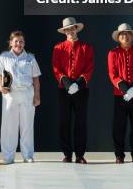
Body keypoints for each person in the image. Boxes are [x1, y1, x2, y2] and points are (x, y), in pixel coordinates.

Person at [0, 30, 41, 164]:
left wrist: (37, 95)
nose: (18, 44)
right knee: (9, 126)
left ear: (24, 43)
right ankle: (8, 157)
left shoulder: (30, 58)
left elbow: (36, 78)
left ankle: (28, 155)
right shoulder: (4, 57)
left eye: (21, 41)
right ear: (11, 43)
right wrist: (0, 87)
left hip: (27, 94)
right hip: (10, 95)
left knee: (27, 126)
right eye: (16, 41)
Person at [52, 17, 94, 164]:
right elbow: (56, 68)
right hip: (64, 89)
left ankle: (80, 155)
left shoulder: (86, 47)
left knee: (80, 122)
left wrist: (78, 83)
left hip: (81, 90)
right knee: (65, 122)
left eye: (72, 28)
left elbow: (89, 68)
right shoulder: (58, 48)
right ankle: (67, 154)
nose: (70, 31)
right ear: (64, 32)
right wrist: (67, 83)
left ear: (76, 29)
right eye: (67, 29)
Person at [107, 23, 133, 163]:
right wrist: (125, 89)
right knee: (119, 126)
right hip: (120, 96)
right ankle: (119, 154)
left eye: (128, 33)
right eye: (122, 34)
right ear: (119, 38)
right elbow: (113, 74)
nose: (125, 36)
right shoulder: (113, 53)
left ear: (132, 36)